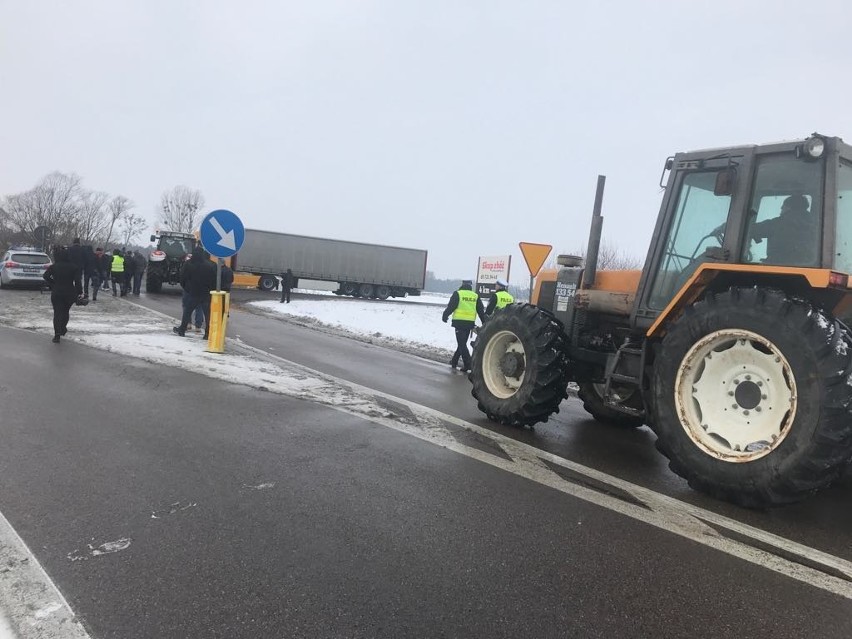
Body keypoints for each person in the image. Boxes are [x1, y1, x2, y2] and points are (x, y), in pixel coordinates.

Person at [748, 194, 818, 266]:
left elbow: (751, 229)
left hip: (777, 267)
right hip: (805, 267)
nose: (781, 208)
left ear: (789, 208)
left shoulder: (780, 223)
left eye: (783, 206)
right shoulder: (814, 226)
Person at [442, 279, 486, 372]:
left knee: (461, 344)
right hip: (469, 323)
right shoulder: (475, 296)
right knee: (462, 343)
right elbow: (481, 311)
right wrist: (484, 322)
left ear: (462, 284)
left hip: (459, 323)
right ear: (470, 286)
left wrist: (445, 316)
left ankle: (468, 364)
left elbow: (451, 307)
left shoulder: (458, 294)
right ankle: (454, 361)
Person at [42, 247, 83, 343]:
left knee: (57, 313)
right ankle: (63, 328)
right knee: (65, 311)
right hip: (70, 292)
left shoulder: (54, 266)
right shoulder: (74, 267)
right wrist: (79, 292)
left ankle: (57, 335)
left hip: (57, 292)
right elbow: (78, 281)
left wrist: (53, 284)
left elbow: (45, 276)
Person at [173, 249, 217, 338]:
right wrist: (211, 290)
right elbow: (214, 280)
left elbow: (182, 278)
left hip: (193, 292)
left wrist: (188, 289)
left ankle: (182, 330)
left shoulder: (189, 264)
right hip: (206, 293)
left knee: (187, 312)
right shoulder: (210, 265)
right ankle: (207, 333)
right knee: (207, 314)